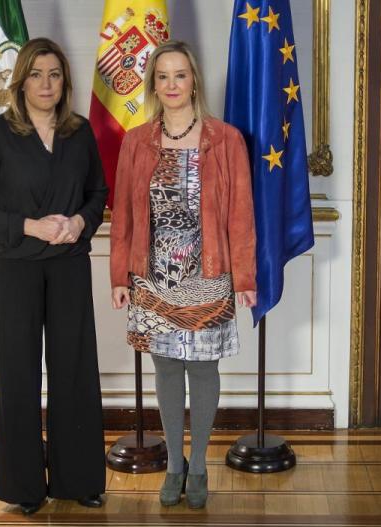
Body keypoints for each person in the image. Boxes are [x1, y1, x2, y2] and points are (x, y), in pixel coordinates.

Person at [0, 37, 107, 516]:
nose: (46, 84)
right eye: (37, 74)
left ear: (65, 82)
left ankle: (79, 479)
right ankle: (25, 486)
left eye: (56, 74)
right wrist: (29, 225)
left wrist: (80, 222)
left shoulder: (79, 132)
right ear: (21, 80)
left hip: (67, 265)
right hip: (14, 268)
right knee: (18, 372)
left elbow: (97, 192)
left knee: (75, 369)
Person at [110, 40, 257, 509]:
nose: (172, 84)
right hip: (153, 277)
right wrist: (119, 275)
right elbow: (125, 217)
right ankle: (174, 464)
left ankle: (199, 466)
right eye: (163, 76)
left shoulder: (226, 139)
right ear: (154, 84)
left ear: (194, 80)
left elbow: (241, 216)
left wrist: (246, 277)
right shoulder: (136, 141)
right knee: (168, 368)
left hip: (210, 271)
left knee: (203, 367)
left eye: (180, 75)